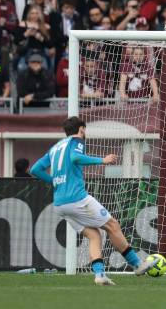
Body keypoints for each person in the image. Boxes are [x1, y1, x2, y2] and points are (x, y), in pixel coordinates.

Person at [30, 117, 158, 285]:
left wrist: (54, 181)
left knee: (93, 235)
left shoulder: (55, 148)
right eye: (85, 130)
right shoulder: (76, 140)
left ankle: (99, 275)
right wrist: (102, 160)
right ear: (81, 129)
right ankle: (138, 265)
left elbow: (35, 169)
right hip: (77, 199)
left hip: (60, 204)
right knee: (112, 225)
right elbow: (76, 157)